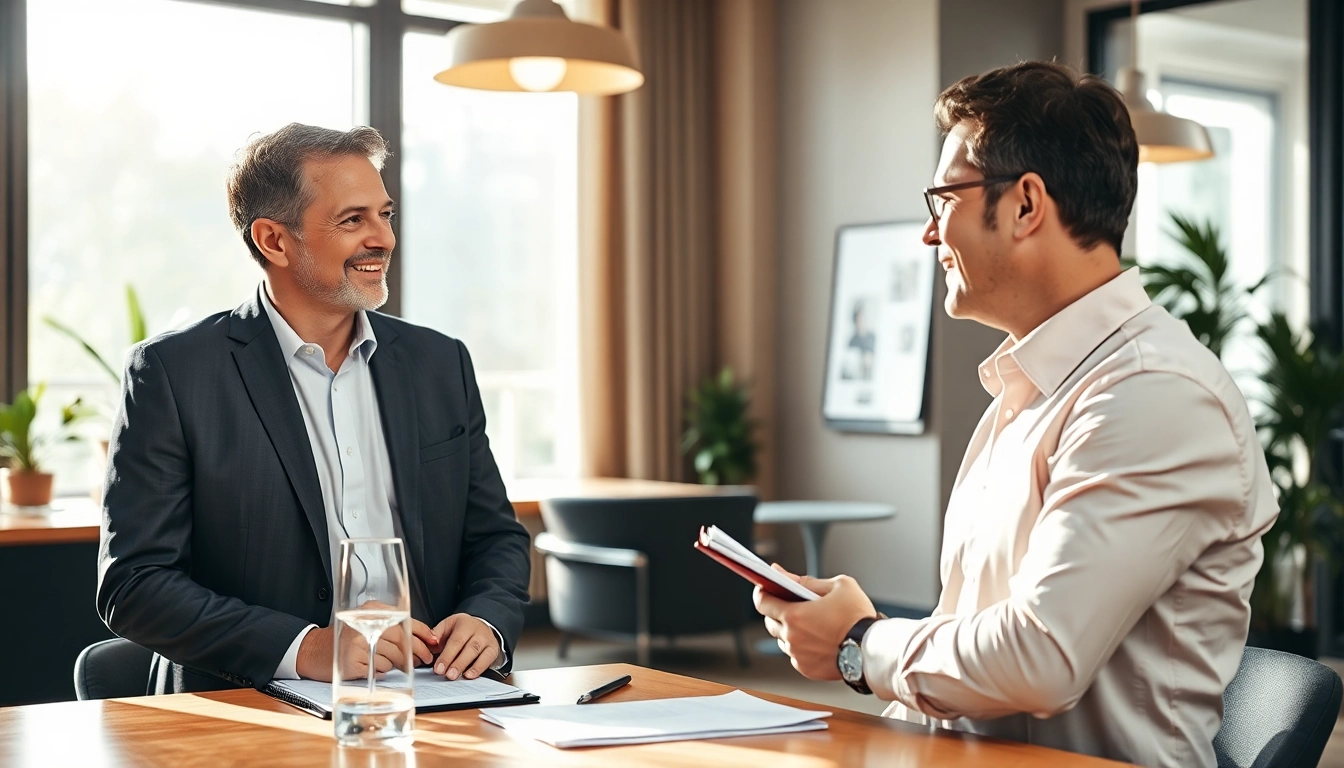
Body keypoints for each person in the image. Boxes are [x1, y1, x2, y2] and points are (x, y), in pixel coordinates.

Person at [753, 61, 1278, 767]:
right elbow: (981, 642)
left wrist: (859, 643)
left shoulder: (1155, 394)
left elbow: (1039, 655)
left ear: (1027, 205)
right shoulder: (1031, 387)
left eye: (944, 199)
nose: (929, 235)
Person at [97, 123, 531, 693]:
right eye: (353, 220)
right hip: (250, 704)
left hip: (442, 694)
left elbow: (495, 537)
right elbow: (135, 584)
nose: (384, 239)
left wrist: (488, 621)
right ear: (274, 240)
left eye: (385, 214)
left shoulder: (440, 362)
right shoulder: (173, 374)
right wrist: (305, 648)